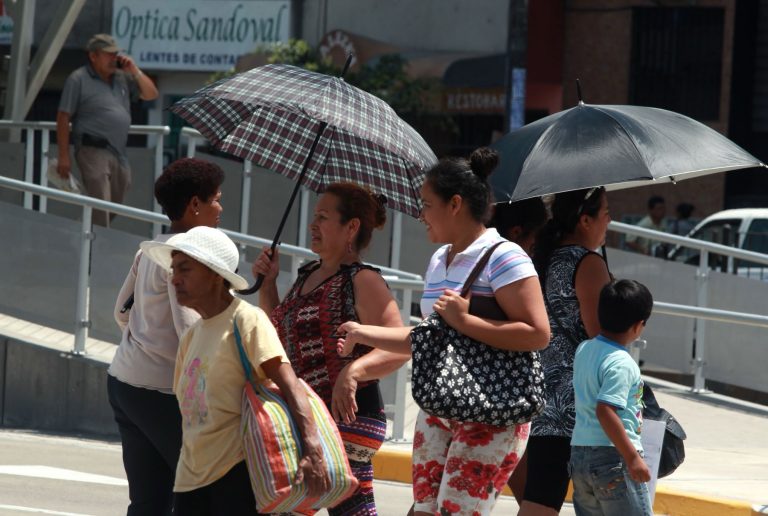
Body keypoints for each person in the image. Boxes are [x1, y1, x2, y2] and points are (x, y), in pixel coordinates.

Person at [336, 148, 551, 516]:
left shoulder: (505, 256)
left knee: (455, 511)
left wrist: (466, 321)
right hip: (440, 405)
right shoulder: (439, 260)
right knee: (423, 510)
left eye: (426, 204)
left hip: (492, 411)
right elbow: (430, 338)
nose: (420, 215)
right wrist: (362, 333)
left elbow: (537, 333)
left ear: (455, 204)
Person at [140, 226, 330, 514]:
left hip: (236, 480)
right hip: (189, 482)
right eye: (173, 270)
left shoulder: (247, 321)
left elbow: (291, 385)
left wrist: (312, 447)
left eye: (185, 269)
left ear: (216, 274)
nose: (174, 278)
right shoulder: (192, 336)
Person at [252, 182, 409, 515]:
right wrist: (267, 285)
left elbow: (402, 345)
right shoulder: (307, 273)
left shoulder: (362, 279)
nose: (313, 225)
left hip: (348, 415)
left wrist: (353, 371)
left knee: (290, 504)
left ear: (351, 227)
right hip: (311, 412)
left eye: (323, 217)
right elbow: (276, 334)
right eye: (314, 216)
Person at [110, 158, 225, 515]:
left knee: (147, 502)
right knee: (199, 496)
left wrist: (147, 340)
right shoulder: (187, 257)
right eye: (216, 199)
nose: (220, 208)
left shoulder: (150, 248)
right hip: (163, 397)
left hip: (125, 384)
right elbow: (191, 330)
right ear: (195, 205)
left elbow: (121, 312)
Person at [520, 187, 612, 516]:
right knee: (604, 500)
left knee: (541, 495)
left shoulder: (540, 258)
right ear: (585, 220)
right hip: (579, 403)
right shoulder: (587, 264)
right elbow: (601, 336)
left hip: (541, 396)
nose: (609, 221)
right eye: (605, 214)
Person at [570, 279, 654, 516]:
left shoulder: (584, 349)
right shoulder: (621, 362)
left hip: (580, 453)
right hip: (613, 457)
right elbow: (605, 410)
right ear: (638, 326)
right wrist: (632, 458)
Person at [57, 33, 159, 227]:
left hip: (119, 151)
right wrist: (64, 155)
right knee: (100, 200)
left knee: (116, 201)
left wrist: (134, 70)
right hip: (92, 148)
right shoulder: (78, 79)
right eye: (108, 54)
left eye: (115, 54)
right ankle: (96, 247)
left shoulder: (121, 78)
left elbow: (152, 94)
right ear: (93, 56)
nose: (114, 59)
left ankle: (84, 231)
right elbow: (63, 116)